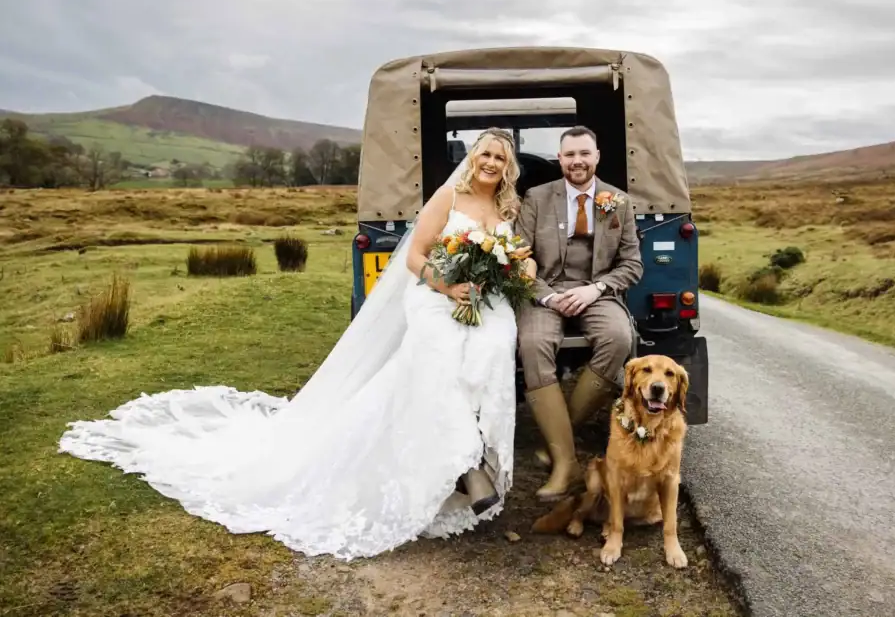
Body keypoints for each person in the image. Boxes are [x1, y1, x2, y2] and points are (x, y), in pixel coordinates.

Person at [58, 128, 525, 561]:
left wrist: (508, 274)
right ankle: (468, 467)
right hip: (436, 298)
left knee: (495, 347)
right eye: (484, 152)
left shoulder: (508, 207)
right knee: (439, 354)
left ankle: (479, 451)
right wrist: (448, 288)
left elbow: (515, 260)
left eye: (499, 157)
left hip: (486, 302)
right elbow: (418, 258)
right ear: (472, 156)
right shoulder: (450, 196)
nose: (490, 161)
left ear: (508, 167)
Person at [514, 125, 643, 500]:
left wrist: (597, 289)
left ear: (597, 157)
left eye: (584, 154)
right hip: (545, 292)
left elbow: (631, 264)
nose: (577, 162)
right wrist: (549, 298)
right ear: (560, 159)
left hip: (596, 292)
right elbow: (519, 258)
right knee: (534, 343)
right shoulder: (536, 198)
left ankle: (559, 446)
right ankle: (566, 464)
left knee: (619, 338)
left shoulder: (617, 201)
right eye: (570, 155)